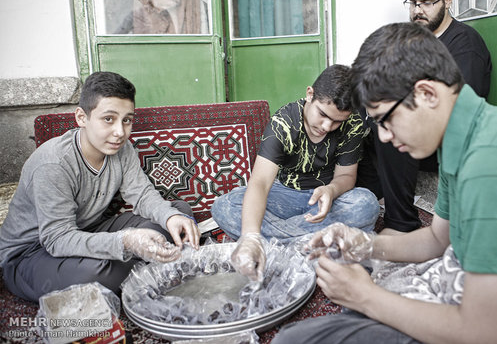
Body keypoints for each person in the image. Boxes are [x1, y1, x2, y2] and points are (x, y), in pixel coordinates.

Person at [271, 22, 497, 344]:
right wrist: (366, 244)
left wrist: (367, 297)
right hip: (495, 302)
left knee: (299, 338)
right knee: (353, 298)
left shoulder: (491, 166)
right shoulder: (466, 135)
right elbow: (438, 239)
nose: (386, 137)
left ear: (426, 94)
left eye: (385, 120)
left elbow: (491, 336)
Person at [0, 72, 200, 302]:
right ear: (82, 118)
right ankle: (151, 263)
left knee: (179, 213)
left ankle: (142, 263)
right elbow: (56, 239)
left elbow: (142, 195)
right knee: (98, 273)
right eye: (108, 119)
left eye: (127, 120)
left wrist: (168, 217)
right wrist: (125, 241)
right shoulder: (52, 163)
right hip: (32, 254)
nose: (120, 132)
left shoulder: (122, 149)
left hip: (87, 230)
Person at [356, 0, 493, 234]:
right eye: (413, 2)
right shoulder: (413, 41)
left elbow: (459, 112)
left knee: (394, 123)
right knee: (360, 111)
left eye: (427, 2)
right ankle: (367, 194)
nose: (418, 10)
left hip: (444, 139)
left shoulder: (466, 45)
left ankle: (401, 222)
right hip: (416, 131)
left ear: (449, 0)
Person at [212, 64, 380, 281]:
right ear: (310, 94)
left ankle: (281, 250)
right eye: (323, 114)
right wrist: (251, 236)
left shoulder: (353, 123)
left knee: (366, 204)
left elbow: (346, 177)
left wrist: (332, 189)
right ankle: (324, 246)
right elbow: (261, 183)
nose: (328, 126)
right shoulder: (283, 122)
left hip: (325, 202)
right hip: (284, 196)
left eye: (338, 121)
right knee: (225, 206)